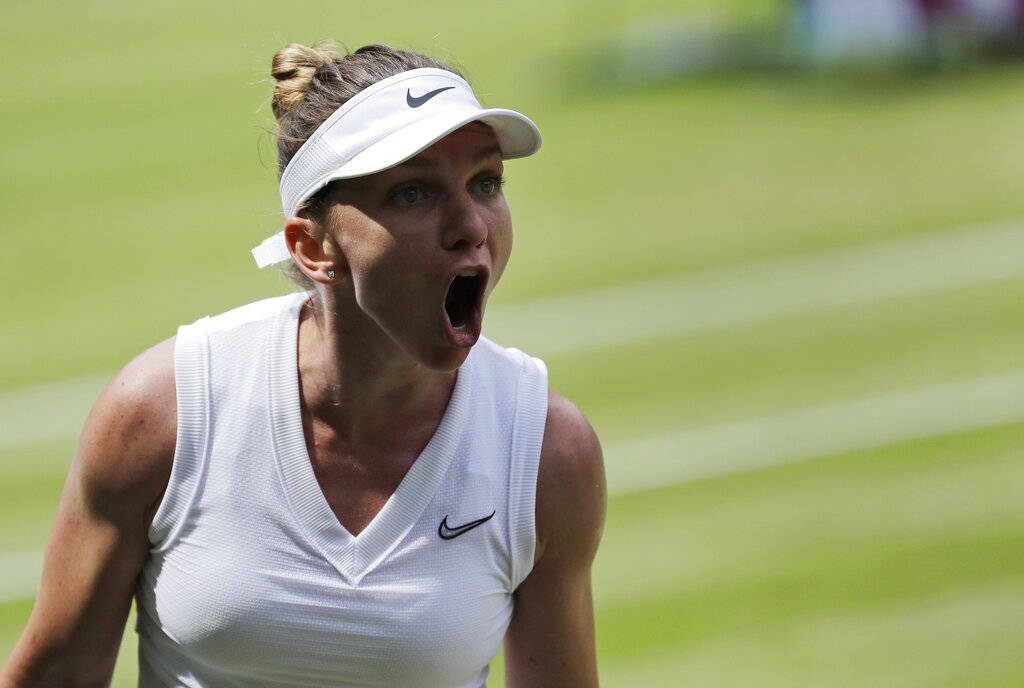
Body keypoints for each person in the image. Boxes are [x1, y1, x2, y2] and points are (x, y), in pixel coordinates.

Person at [0, 42, 605, 687]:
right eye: (412, 193)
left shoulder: (545, 452)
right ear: (314, 246)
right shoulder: (162, 412)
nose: (470, 226)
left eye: (485, 182)